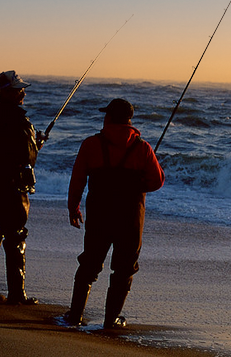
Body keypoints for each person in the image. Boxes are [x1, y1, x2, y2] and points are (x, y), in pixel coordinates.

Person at [64, 98, 165, 328]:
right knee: (124, 268)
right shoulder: (142, 147)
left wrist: (74, 207)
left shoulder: (91, 144)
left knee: (89, 264)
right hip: (130, 217)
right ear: (129, 120)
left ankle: (75, 315)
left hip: (100, 214)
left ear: (108, 117)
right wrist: (137, 183)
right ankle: (111, 320)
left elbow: (78, 179)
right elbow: (157, 181)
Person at [0, 70, 43, 305]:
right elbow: (28, 156)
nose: (23, 93)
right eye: (18, 89)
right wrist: (36, 143)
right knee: (15, 238)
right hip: (12, 187)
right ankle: (17, 294)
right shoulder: (19, 118)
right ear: (6, 92)